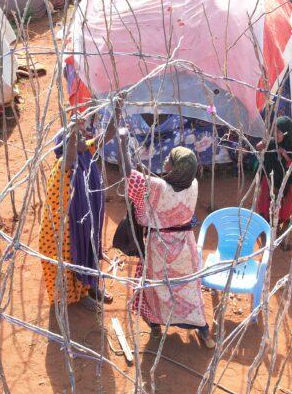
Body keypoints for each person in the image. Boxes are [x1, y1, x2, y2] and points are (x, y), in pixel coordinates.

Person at [116, 133, 214, 349]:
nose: (166, 162)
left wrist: (122, 142)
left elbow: (127, 173)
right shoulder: (193, 183)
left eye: (170, 160)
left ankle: (155, 328)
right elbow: (159, 183)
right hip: (185, 247)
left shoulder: (157, 188)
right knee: (188, 290)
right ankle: (204, 332)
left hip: (159, 249)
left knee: (154, 289)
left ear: (175, 167)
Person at [39, 117, 111, 311]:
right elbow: (70, 157)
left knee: (87, 250)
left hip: (81, 219)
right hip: (63, 228)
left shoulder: (84, 151)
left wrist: (118, 110)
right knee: (71, 259)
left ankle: (89, 287)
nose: (84, 139)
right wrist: (72, 131)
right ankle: (79, 295)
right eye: (78, 138)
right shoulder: (65, 165)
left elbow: (105, 137)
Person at [256, 117, 292, 230]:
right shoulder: (271, 142)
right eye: (274, 131)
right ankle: (266, 221)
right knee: (266, 202)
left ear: (286, 133)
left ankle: (281, 220)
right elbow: (258, 148)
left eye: (278, 132)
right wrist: (264, 142)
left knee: (283, 205)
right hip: (269, 178)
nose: (275, 134)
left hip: (283, 182)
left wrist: (285, 155)